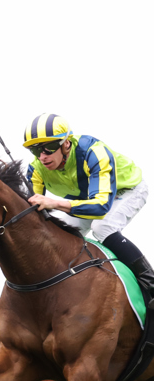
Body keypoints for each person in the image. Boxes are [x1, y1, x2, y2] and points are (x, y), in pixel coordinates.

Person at [22, 113, 153, 303]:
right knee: (56, 232)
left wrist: (55, 203)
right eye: (35, 150)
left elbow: (100, 207)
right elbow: (30, 212)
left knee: (102, 227)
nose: (43, 157)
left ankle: (151, 284)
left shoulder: (94, 152)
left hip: (126, 190)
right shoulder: (36, 169)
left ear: (66, 143)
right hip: (87, 198)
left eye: (48, 148)